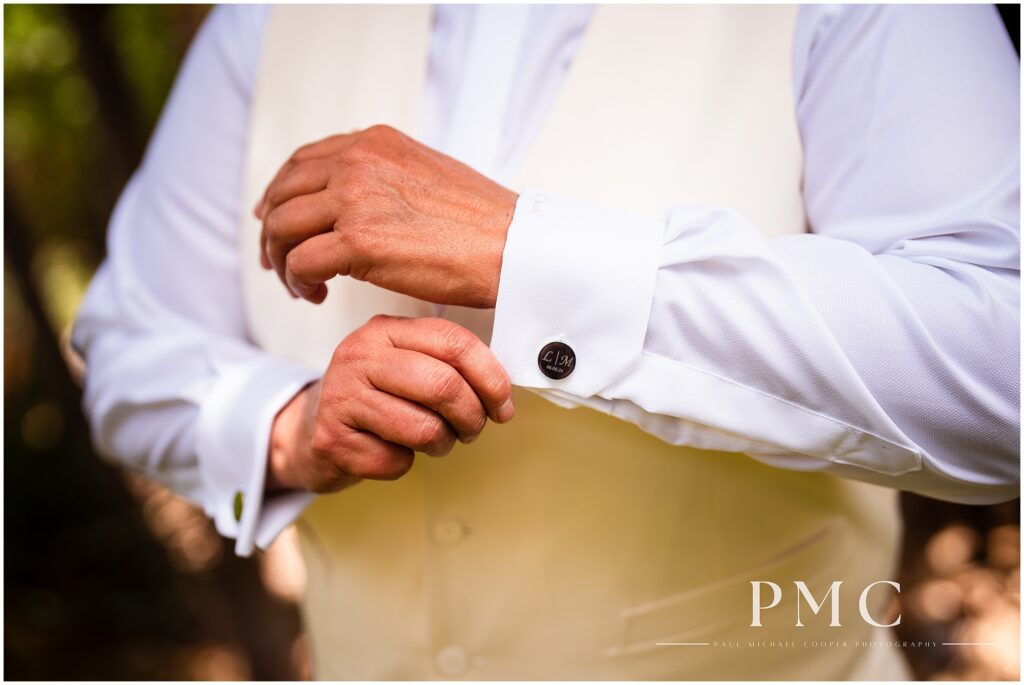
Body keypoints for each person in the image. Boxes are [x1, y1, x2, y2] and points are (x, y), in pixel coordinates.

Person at [72, 4, 1019, 680]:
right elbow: (124, 347)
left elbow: (999, 369)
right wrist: (285, 426)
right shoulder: (263, 22)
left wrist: (523, 252)